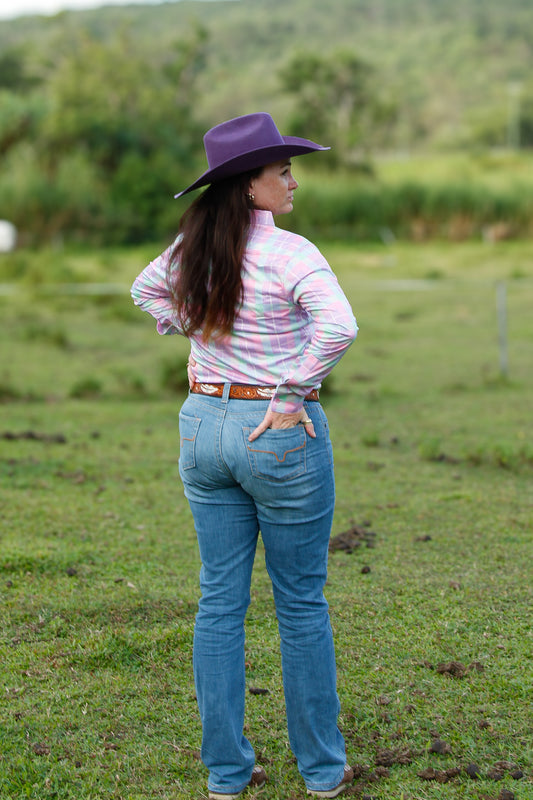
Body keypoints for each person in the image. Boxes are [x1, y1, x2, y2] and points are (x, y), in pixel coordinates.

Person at [131, 112, 358, 799]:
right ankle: (321, 771)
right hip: (276, 428)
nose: (290, 180)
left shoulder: (189, 248)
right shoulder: (291, 252)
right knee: (300, 604)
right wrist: (292, 389)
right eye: (279, 170)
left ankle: (226, 773)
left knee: (219, 602)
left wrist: (189, 324)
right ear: (247, 185)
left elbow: (144, 292)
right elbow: (339, 325)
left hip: (203, 422)